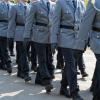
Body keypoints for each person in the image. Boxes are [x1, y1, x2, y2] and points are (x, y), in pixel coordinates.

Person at [51, 0, 85, 99]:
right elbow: (55, 22)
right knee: (71, 64)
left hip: (78, 38)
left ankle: (63, 87)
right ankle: (74, 92)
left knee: (70, 64)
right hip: (65, 37)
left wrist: (86, 38)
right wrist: (54, 40)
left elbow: (84, 22)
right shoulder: (60, 3)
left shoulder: (81, 3)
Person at [24, 0, 55, 93]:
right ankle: (46, 81)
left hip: (50, 35)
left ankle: (38, 79)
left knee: (49, 58)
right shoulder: (35, 5)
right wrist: (26, 36)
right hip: (38, 35)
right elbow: (29, 21)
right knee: (42, 59)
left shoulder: (54, 5)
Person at [74, 0, 100, 99]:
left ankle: (95, 86)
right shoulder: (94, 2)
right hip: (98, 40)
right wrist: (80, 45)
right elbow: (86, 24)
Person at [8, 0, 31, 83]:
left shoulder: (30, 6)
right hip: (19, 32)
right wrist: (10, 36)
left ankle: (20, 71)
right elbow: (12, 22)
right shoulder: (15, 7)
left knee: (23, 53)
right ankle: (26, 73)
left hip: (28, 33)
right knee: (23, 53)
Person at [0, 0, 13, 74]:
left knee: (3, 47)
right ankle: (8, 63)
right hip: (1, 28)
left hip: (9, 28)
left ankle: (3, 63)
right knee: (4, 48)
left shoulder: (12, 5)